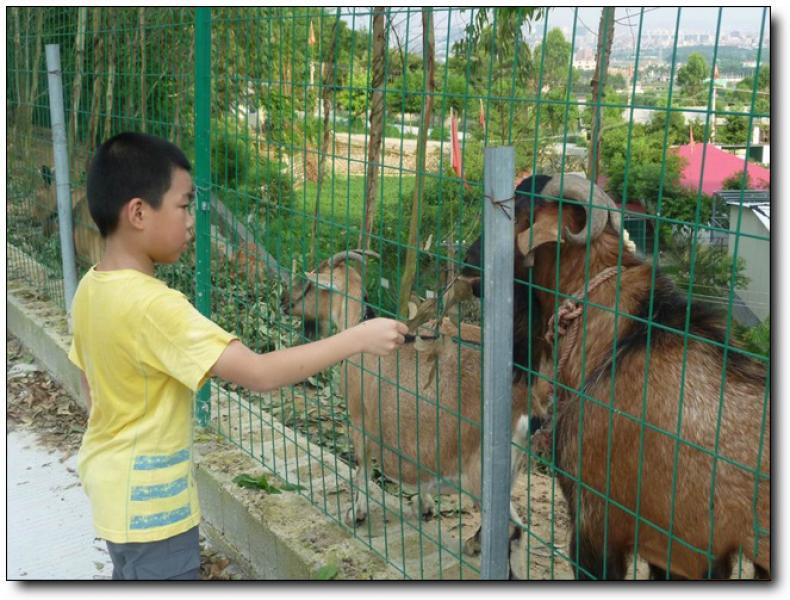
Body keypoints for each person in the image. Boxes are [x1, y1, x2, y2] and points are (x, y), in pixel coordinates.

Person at [68, 132, 407, 580]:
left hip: (111, 494)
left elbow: (90, 384)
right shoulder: (155, 308)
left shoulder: (91, 287)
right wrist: (357, 337)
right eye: (185, 205)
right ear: (137, 212)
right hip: (155, 514)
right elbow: (261, 373)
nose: (192, 221)